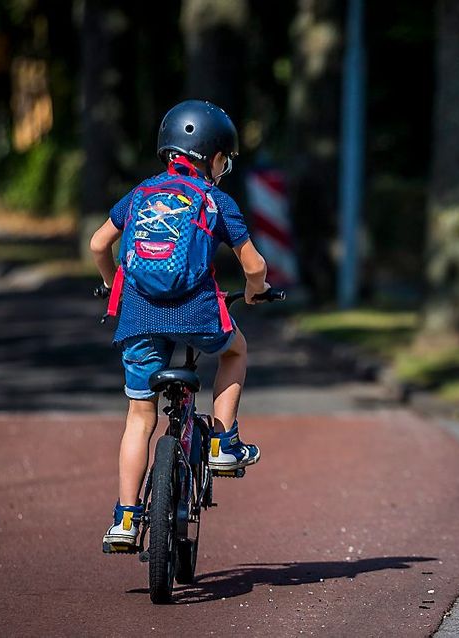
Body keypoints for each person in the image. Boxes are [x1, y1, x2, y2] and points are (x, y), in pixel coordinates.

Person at [91, 100, 271, 549]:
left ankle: (126, 518)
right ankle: (224, 443)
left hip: (138, 315)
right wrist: (254, 290)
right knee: (235, 350)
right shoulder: (215, 200)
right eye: (223, 159)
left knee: (139, 417)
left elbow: (98, 244)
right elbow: (254, 266)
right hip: (197, 314)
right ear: (211, 157)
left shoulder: (140, 193)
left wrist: (114, 283)